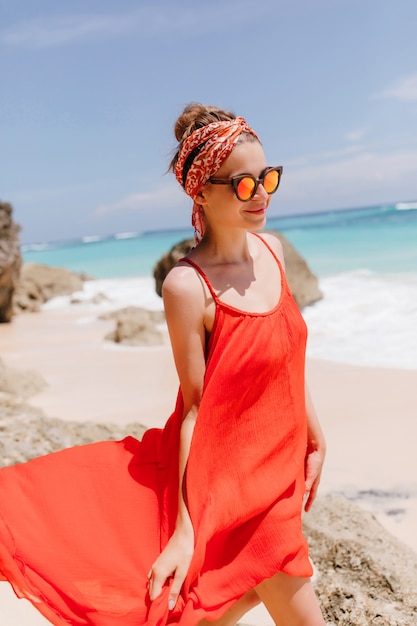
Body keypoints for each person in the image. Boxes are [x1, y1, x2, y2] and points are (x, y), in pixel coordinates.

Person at [0, 103, 326, 626]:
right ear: (201, 192)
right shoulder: (188, 286)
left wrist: (315, 436)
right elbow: (197, 411)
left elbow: (288, 357)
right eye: (243, 184)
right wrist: (186, 528)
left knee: (216, 605)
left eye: (267, 177)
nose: (261, 193)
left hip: (278, 470)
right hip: (230, 481)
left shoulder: (275, 252)